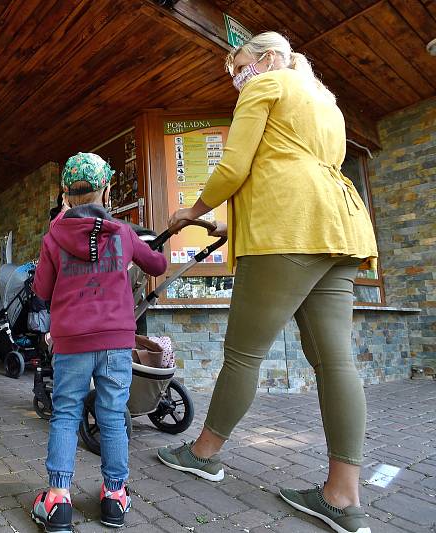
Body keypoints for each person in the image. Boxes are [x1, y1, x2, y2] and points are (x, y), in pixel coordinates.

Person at [156, 32, 377, 533]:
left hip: (286, 234)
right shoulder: (325, 101)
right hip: (338, 228)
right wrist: (217, 225)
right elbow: (295, 174)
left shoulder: (269, 83)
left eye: (239, 66)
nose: (237, 79)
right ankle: (342, 495)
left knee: (242, 354)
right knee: (335, 360)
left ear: (270, 57)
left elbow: (235, 168)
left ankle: (204, 453)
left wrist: (192, 210)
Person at [30, 153, 167, 531]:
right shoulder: (122, 233)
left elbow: (41, 289)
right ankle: (114, 498)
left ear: (65, 196)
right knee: (111, 416)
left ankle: (58, 500)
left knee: (66, 413)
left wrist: (60, 223)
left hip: (72, 342)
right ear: (106, 191)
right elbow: (157, 265)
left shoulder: (54, 236)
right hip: (115, 341)